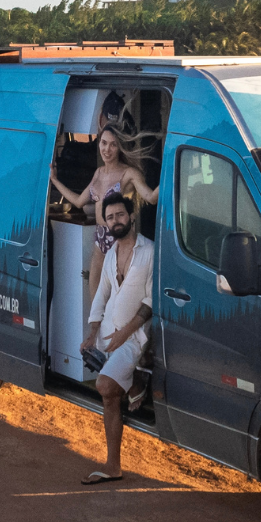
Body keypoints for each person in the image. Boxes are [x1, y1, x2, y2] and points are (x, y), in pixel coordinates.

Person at [79, 193, 153, 485]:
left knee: (105, 386)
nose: (115, 221)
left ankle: (113, 465)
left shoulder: (149, 252)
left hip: (132, 338)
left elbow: (149, 302)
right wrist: (92, 333)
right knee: (96, 366)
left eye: (120, 215)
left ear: (131, 216)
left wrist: (125, 332)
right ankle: (134, 384)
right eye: (110, 217)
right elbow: (102, 296)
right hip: (108, 334)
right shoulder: (111, 254)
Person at [49, 124, 159, 300]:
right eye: (104, 143)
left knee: (119, 301)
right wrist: (54, 180)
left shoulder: (129, 173)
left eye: (113, 145)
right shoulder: (99, 172)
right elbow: (78, 201)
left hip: (120, 240)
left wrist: (172, 172)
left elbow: (151, 197)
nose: (107, 149)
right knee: (96, 304)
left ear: (120, 147)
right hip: (100, 240)